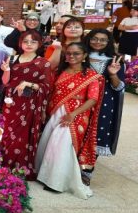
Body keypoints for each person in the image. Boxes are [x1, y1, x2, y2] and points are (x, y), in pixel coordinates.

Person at [36, 42, 104, 198]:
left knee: (61, 145)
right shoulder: (60, 71)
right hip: (56, 111)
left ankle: (56, 182)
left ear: (85, 56)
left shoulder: (91, 76)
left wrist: (73, 114)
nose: (71, 56)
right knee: (49, 142)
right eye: (69, 54)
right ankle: (45, 175)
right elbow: (52, 93)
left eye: (76, 53)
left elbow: (92, 100)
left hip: (76, 114)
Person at [0, 30, 53, 179]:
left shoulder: (43, 63)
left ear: (39, 44)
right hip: (11, 102)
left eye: (33, 42)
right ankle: (6, 163)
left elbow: (47, 86)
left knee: (23, 135)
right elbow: (6, 82)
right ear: (20, 43)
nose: (29, 44)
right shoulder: (12, 58)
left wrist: (29, 84)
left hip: (30, 104)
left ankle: (21, 167)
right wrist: (6, 70)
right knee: (9, 133)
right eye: (25, 41)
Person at [84, 29, 125, 162]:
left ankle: (87, 169)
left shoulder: (114, 60)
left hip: (104, 102)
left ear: (108, 42)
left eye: (102, 40)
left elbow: (118, 87)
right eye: (94, 38)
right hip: (80, 99)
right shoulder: (80, 55)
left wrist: (113, 74)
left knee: (97, 132)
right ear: (89, 39)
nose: (98, 42)